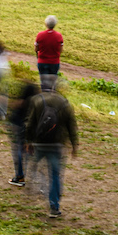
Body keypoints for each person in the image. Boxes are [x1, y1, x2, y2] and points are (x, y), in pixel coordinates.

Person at [24, 75, 78, 218]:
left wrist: (28, 141)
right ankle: (54, 206)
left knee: (35, 165)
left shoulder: (37, 100)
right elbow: (72, 126)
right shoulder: (65, 103)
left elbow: (30, 124)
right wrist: (74, 146)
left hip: (40, 143)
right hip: (56, 145)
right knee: (55, 174)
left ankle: (37, 186)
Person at [34, 15, 63, 88]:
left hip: (42, 62)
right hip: (54, 62)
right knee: (52, 83)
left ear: (46, 24)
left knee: (44, 83)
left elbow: (36, 49)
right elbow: (60, 50)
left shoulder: (40, 35)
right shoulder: (59, 36)